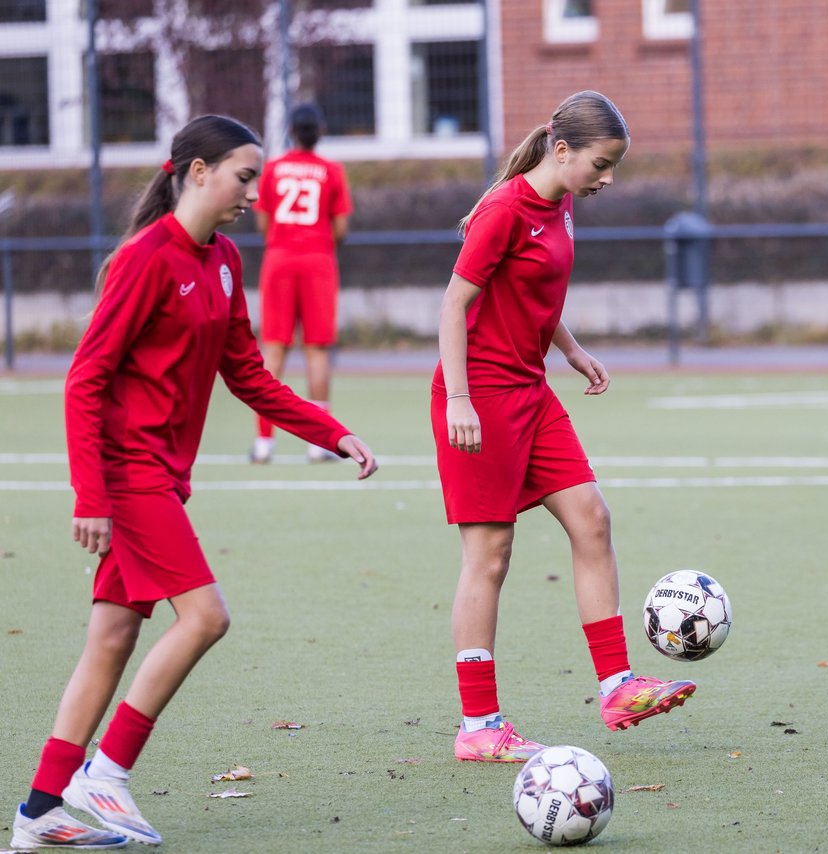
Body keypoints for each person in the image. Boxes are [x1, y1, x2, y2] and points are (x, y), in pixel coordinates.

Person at [10, 115, 378, 851]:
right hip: (129, 474)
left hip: (160, 478)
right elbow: (85, 380)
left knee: (112, 637)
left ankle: (37, 814)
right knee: (205, 617)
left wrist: (329, 432)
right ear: (198, 172)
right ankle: (106, 772)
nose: (255, 191)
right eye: (246, 176)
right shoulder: (147, 258)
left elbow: (246, 373)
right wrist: (90, 496)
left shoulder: (226, 261)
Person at [431, 91, 695, 763]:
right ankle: (478, 725)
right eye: (600, 165)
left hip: (530, 389)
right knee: (489, 557)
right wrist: (459, 398)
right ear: (562, 151)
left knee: (591, 518)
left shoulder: (560, 203)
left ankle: (618, 686)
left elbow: (534, 293)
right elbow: (454, 306)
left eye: (612, 167)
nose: (606, 178)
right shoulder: (503, 210)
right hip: (482, 396)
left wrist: (570, 350)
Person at [251, 103, 353, 464]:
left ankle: (264, 443)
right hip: (318, 262)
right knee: (317, 351)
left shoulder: (273, 170)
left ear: (291, 131)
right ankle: (320, 442)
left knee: (274, 349)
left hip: (278, 261)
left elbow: (262, 223)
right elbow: (340, 229)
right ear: (319, 133)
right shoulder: (331, 171)